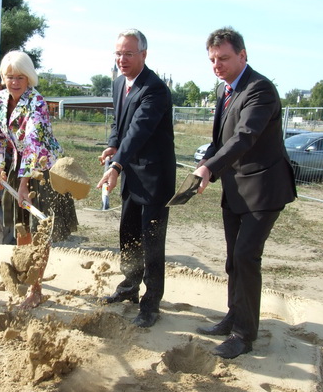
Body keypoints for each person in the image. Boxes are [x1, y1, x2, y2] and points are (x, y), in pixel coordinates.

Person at [193, 27, 297, 359]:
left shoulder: (260, 89)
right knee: (232, 260)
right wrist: (204, 164)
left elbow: (244, 136)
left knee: (245, 257)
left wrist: (210, 168)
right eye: (212, 60)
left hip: (264, 190)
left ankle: (243, 335)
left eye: (223, 58)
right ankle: (234, 315)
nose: (217, 65)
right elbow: (220, 142)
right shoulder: (225, 90)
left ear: (242, 55)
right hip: (235, 189)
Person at [97, 29, 176, 328]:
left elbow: (139, 130)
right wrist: (112, 145)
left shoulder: (155, 89)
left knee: (152, 240)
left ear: (144, 54)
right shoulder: (119, 83)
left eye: (128, 53)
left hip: (155, 178)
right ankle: (129, 286)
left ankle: (151, 303)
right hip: (131, 173)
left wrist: (116, 164)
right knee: (128, 233)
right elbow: (120, 125)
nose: (122, 59)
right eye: (118, 53)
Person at [0, 50, 78, 308]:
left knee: (40, 231)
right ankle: (23, 274)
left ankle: (35, 289)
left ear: (28, 77)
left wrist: (24, 185)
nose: (15, 82)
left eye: (20, 77)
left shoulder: (36, 102)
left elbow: (33, 144)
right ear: (4, 78)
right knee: (21, 226)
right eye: (10, 77)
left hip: (43, 168)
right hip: (20, 164)